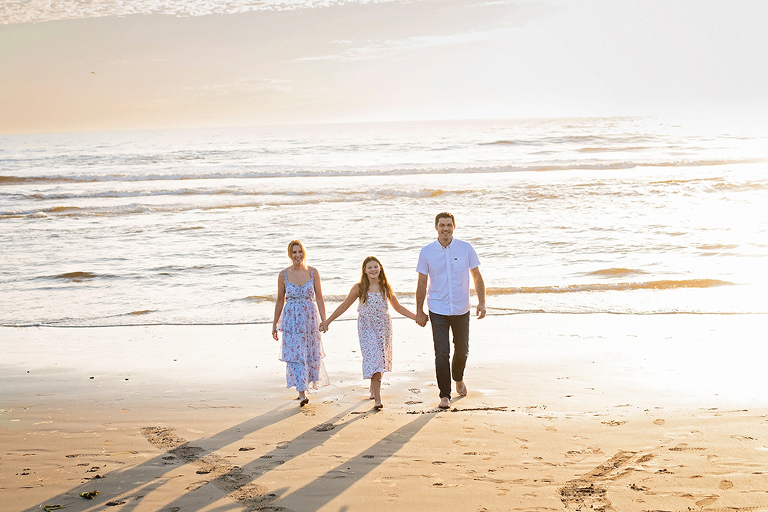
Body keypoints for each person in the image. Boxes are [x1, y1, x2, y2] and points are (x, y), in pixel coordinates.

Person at [320, 256, 416, 409]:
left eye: (375, 267)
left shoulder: (385, 287)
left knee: (380, 359)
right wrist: (327, 321)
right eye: (369, 267)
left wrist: (416, 317)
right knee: (374, 358)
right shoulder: (360, 288)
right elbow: (344, 306)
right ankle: (378, 399)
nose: (373, 270)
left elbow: (398, 308)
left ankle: (374, 387)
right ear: (364, 270)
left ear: (380, 268)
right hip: (367, 327)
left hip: (383, 327)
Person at [416, 212, 486, 409]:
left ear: (454, 226)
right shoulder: (427, 251)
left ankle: (458, 377)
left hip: (462, 307)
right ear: (436, 227)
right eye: (441, 225)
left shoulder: (466, 248)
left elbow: (477, 276)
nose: (445, 228)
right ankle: (444, 395)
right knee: (442, 352)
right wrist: (419, 310)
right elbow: (422, 282)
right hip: (437, 307)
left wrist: (482, 302)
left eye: (448, 225)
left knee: (462, 349)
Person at [272, 240, 329, 406]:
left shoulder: (313, 272)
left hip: (310, 319)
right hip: (291, 320)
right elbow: (279, 301)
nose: (297, 255)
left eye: (300, 252)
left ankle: (304, 386)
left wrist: (324, 320)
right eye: (294, 252)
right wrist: (274, 324)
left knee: (309, 353)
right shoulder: (283, 275)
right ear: (290, 255)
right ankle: (302, 392)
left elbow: (319, 297)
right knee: (297, 355)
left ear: (304, 253)